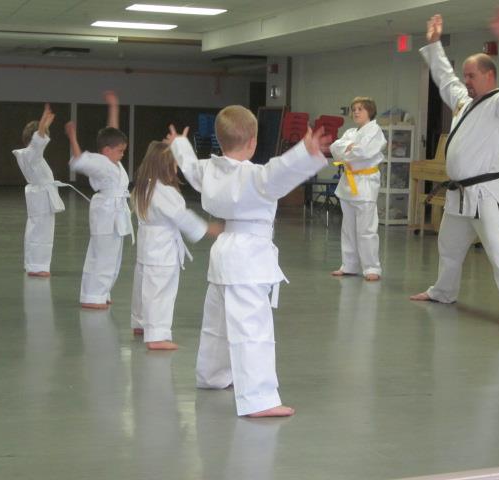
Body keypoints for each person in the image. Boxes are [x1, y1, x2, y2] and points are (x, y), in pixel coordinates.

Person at [168, 106, 330, 417]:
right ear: (253, 142)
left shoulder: (210, 169)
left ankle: (212, 375)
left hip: (223, 252)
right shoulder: (254, 177)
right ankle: (259, 399)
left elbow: (189, 166)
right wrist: (303, 153)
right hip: (248, 258)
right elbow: (278, 171)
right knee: (252, 329)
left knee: (217, 323)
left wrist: (179, 143)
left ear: (219, 139)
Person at [410, 7, 499, 333]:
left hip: (486, 192)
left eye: (472, 75)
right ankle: (443, 291)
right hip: (459, 192)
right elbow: (444, 77)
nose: (466, 81)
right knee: (449, 247)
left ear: (489, 75)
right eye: (465, 75)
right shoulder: (463, 103)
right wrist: (435, 44)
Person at [130, 139, 222, 350]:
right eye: (174, 165)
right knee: (161, 291)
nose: (177, 170)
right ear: (166, 166)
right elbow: (182, 217)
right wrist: (209, 228)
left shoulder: (144, 187)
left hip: (148, 247)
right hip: (162, 249)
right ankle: (156, 335)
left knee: (143, 286)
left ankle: (140, 322)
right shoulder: (164, 191)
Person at [65, 91, 133, 309]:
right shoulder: (100, 162)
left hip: (115, 212)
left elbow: (111, 132)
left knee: (112, 256)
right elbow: (80, 160)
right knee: (103, 255)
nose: (123, 154)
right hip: (106, 212)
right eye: (120, 151)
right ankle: (92, 296)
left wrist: (114, 108)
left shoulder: (110, 160)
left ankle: (101, 292)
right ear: (107, 151)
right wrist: (73, 138)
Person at [329, 97, 386, 281]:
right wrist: (349, 148)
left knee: (367, 229)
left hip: (366, 183)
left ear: (370, 111)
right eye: (354, 109)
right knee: (348, 228)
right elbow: (334, 148)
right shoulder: (351, 132)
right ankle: (349, 265)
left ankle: (372, 268)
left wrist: (348, 151)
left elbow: (364, 152)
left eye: (360, 109)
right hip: (348, 183)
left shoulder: (375, 131)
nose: (356, 112)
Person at [13, 103, 63, 277]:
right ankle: (37, 266)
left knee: (36, 229)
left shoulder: (29, 154)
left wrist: (45, 125)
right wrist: (43, 123)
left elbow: (38, 140)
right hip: (40, 197)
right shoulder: (31, 154)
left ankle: (33, 264)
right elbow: (38, 140)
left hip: (40, 196)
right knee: (41, 231)